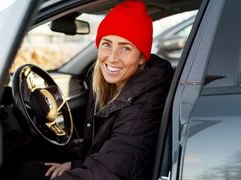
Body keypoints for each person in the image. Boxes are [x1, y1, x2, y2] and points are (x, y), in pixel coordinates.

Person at [15, 0, 173, 179]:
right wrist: (77, 165)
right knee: (27, 168)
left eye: (125, 48)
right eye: (107, 44)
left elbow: (113, 171)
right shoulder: (112, 87)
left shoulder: (145, 104)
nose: (112, 57)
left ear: (141, 58)